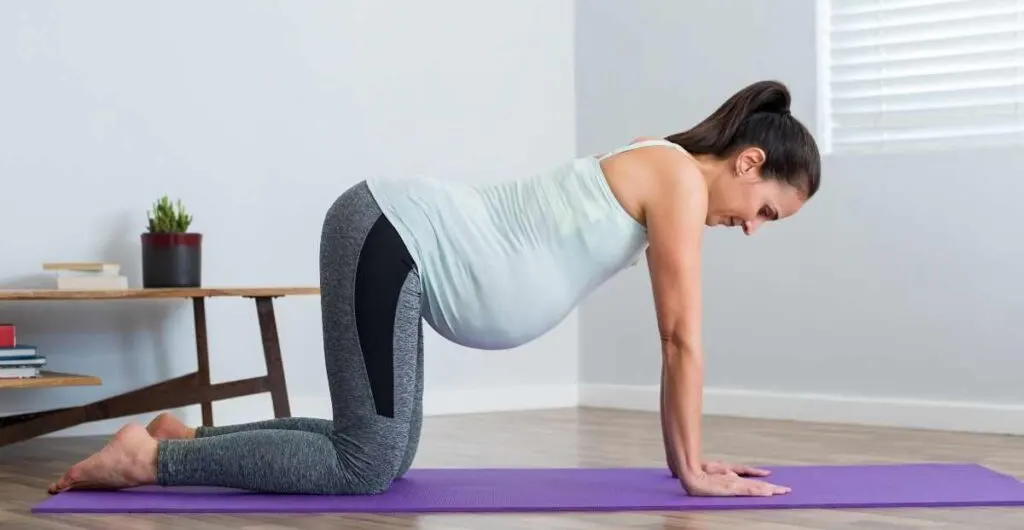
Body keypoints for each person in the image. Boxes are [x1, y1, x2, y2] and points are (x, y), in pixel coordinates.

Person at [48, 79, 820, 498]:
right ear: (749, 162)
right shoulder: (680, 179)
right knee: (364, 465)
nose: (751, 227)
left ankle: (186, 439)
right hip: (392, 235)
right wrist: (689, 471)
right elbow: (681, 338)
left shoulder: (665, 167)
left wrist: (688, 460)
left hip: (394, 237)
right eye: (765, 213)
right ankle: (148, 464)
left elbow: (678, 337)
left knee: (389, 452)